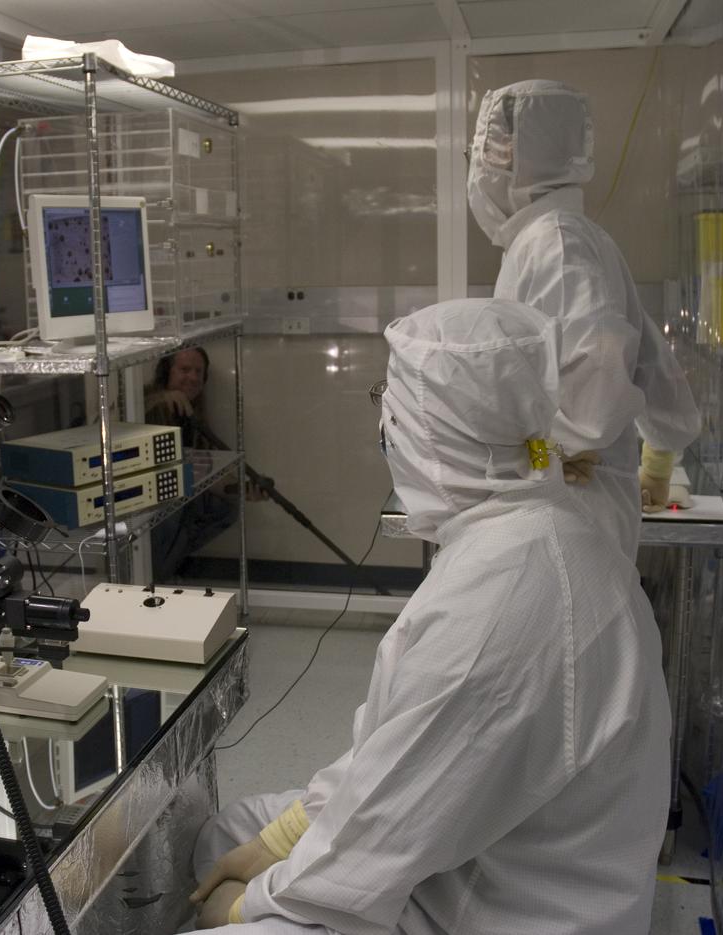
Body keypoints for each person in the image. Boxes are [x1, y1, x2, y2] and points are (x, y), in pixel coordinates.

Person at [189, 297, 670, 934]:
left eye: (390, 403)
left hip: (503, 912)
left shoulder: (501, 604)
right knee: (230, 830)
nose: (383, 426)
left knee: (248, 908)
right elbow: (394, 756)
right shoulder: (528, 530)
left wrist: (247, 907)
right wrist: (276, 842)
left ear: (426, 431)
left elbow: (373, 849)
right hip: (489, 850)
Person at [467, 79, 701, 560]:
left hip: (569, 507)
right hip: (567, 499)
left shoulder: (556, 243)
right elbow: (651, 361)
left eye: (495, 148)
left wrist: (531, 456)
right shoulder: (562, 238)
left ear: (524, 154)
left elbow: (587, 415)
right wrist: (658, 459)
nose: (485, 163)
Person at [145, 347, 238, 581]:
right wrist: (160, 400)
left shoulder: (194, 412)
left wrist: (239, 488)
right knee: (172, 512)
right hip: (145, 502)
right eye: (185, 370)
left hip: (177, 492)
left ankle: (163, 571)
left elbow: (206, 466)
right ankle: (151, 578)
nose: (193, 377)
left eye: (199, 372)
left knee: (223, 508)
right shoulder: (144, 400)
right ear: (166, 372)